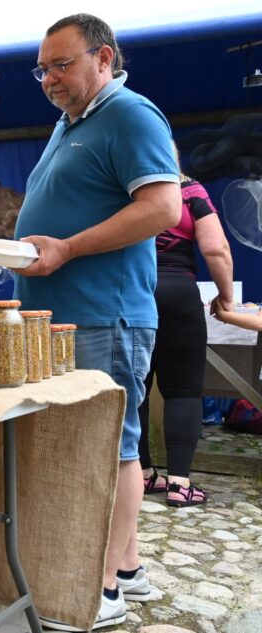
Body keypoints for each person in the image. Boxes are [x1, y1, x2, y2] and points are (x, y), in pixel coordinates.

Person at [13, 14, 181, 630]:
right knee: (104, 443)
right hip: (69, 313)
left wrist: (67, 247)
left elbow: (162, 208)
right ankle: (127, 568)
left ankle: (99, 588)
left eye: (62, 65)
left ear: (104, 58)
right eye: (42, 69)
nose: (49, 79)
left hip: (105, 312)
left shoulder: (131, 113)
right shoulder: (72, 122)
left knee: (111, 447)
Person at [138, 170, 233, 508]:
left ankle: (142, 474)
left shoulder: (122, 188)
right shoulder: (189, 189)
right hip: (178, 291)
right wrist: (226, 297)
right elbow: (216, 248)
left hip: (133, 291)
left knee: (137, 388)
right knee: (184, 390)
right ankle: (180, 484)